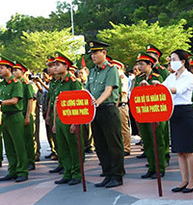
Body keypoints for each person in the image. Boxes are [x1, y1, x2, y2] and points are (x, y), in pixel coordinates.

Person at [85, 41, 125, 189]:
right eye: (92, 53)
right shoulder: (92, 71)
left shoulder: (111, 69)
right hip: (95, 112)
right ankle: (107, 174)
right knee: (100, 144)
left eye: (96, 53)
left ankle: (117, 175)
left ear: (104, 53)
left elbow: (108, 90)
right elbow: (86, 91)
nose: (93, 56)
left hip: (108, 109)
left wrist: (96, 102)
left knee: (113, 144)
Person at [164, 50, 193, 193]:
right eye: (171, 59)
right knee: (179, 151)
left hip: (185, 112)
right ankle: (184, 180)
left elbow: (177, 90)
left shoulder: (189, 76)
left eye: (174, 59)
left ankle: (192, 181)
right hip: (173, 113)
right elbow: (162, 87)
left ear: (183, 61)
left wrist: (162, 88)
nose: (172, 62)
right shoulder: (171, 76)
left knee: (188, 150)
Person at [49, 52, 83, 185]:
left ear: (66, 66)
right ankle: (67, 172)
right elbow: (56, 103)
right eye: (54, 65)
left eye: (58, 65)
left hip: (71, 119)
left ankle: (77, 173)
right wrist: (54, 122)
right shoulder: (57, 82)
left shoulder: (74, 82)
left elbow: (79, 102)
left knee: (74, 147)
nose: (55, 67)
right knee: (62, 147)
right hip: (59, 119)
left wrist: (76, 123)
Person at [0, 59, 28, 182]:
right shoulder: (1, 84)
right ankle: (12, 170)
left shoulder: (16, 83)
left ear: (9, 69)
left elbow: (14, 100)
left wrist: (0, 102)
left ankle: (22, 171)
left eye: (2, 68)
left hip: (15, 116)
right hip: (5, 116)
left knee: (19, 145)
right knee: (8, 146)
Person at [134, 52, 168, 179]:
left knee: (157, 142)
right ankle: (151, 167)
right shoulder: (139, 78)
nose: (139, 67)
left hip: (156, 113)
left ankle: (160, 168)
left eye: (142, 64)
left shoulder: (157, 77)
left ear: (150, 64)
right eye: (138, 64)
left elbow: (161, 95)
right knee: (147, 142)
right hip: (143, 113)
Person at [12, 61, 36, 172]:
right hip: (17, 116)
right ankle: (23, 161)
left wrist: (27, 116)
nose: (14, 72)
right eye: (13, 70)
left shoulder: (26, 84)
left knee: (27, 139)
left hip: (25, 114)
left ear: (22, 72)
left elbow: (30, 100)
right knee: (20, 140)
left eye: (16, 70)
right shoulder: (15, 83)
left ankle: (31, 161)